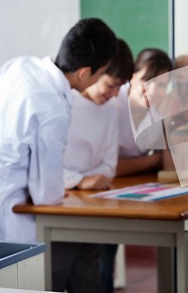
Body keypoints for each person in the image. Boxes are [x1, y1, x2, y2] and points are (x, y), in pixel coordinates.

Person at [0, 18, 117, 244]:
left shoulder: (21, 65)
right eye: (101, 73)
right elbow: (46, 193)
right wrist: (58, 190)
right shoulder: (53, 107)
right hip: (10, 214)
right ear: (84, 73)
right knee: (18, 277)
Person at [53, 39, 134, 293]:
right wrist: (80, 180)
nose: (114, 94)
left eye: (120, 88)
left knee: (89, 279)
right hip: (59, 208)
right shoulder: (64, 103)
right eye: (111, 85)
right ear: (95, 73)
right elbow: (47, 166)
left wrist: (82, 178)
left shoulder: (109, 110)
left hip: (91, 209)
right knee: (55, 276)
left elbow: (108, 167)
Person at [115, 48, 173, 176]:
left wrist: (167, 125)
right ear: (132, 76)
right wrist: (155, 160)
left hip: (139, 181)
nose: (152, 91)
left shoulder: (161, 109)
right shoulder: (113, 101)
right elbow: (112, 167)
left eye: (161, 85)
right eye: (146, 80)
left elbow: (168, 167)